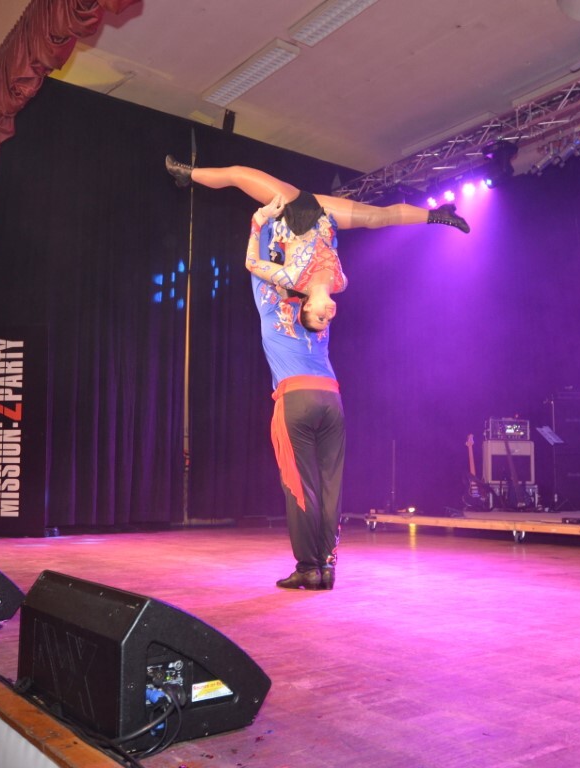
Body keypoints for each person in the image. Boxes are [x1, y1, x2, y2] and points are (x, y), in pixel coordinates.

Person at [166, 156, 469, 330]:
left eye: (319, 317)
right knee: (378, 217)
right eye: (328, 321)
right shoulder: (341, 283)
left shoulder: (291, 280)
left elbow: (252, 263)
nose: (329, 316)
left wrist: (259, 221)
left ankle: (187, 174)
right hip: (326, 216)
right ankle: (440, 215)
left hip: (293, 209)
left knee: (238, 174)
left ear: (308, 306)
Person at [245, 199, 345, 590]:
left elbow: (255, 265)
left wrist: (261, 223)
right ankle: (328, 565)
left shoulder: (271, 306)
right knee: (330, 483)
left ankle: (308, 567)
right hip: (332, 399)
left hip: (296, 400)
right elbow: (320, 263)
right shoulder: (318, 315)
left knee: (301, 485)